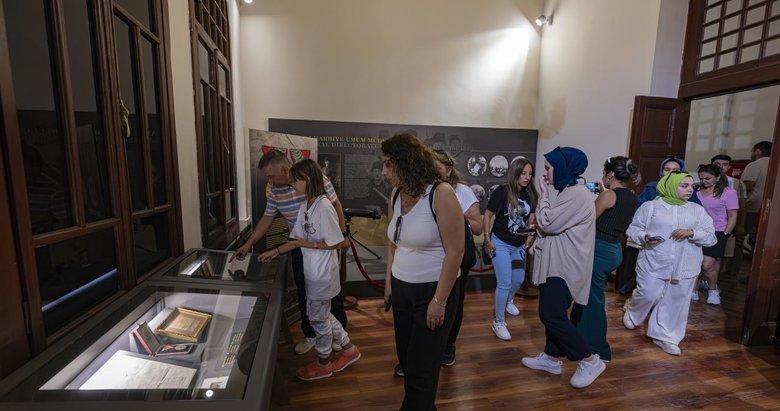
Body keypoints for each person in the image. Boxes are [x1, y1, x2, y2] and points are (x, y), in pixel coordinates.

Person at [231, 150, 348, 355]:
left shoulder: (315, 181)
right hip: (299, 244)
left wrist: (338, 237)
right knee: (305, 292)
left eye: (271, 175)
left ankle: (337, 337)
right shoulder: (276, 191)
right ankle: (312, 334)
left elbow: (336, 205)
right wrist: (250, 243)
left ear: (285, 170)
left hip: (320, 246)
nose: (269, 180)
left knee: (329, 293)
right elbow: (267, 218)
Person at [382, 133, 464, 410]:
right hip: (402, 288)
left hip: (433, 290)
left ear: (406, 163)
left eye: (387, 165)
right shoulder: (396, 194)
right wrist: (389, 281)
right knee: (407, 360)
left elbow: (456, 252)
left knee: (422, 370)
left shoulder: (441, 194)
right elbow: (393, 240)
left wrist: (439, 301)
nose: (383, 172)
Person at [258, 159, 360, 380]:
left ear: (305, 179)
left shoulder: (323, 207)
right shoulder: (306, 205)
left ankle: (323, 363)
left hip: (323, 275)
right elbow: (296, 240)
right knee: (323, 314)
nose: (291, 185)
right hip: (313, 272)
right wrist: (275, 251)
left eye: (295, 181)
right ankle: (350, 350)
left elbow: (340, 243)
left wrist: (310, 245)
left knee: (318, 319)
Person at [521, 146, 605, 389]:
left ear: (564, 167)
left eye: (548, 168)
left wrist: (544, 195)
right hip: (557, 264)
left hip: (565, 267)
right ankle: (551, 357)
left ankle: (590, 360)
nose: (545, 173)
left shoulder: (577, 194)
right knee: (553, 312)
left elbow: (548, 222)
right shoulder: (570, 192)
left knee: (552, 315)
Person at [623, 172, 716, 356]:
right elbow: (633, 229)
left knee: (676, 300)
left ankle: (665, 336)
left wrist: (692, 232)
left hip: (685, 264)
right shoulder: (651, 207)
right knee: (648, 293)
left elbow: (711, 236)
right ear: (670, 186)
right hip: (654, 260)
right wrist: (644, 237)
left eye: (691, 186)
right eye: (684, 185)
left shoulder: (697, 210)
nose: (689, 189)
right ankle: (633, 312)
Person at [570, 156, 640, 363]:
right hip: (613, 249)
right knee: (585, 296)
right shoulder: (630, 196)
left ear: (610, 174)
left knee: (592, 301)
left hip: (599, 250)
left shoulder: (609, 196)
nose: (602, 176)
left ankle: (598, 350)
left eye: (604, 173)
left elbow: (586, 221)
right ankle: (574, 338)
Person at [433, 149, 483, 366]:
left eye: (438, 167)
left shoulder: (462, 191)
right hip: (432, 257)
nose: (434, 171)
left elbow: (479, 227)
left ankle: (448, 344)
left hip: (456, 257)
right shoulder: (424, 190)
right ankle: (431, 343)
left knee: (453, 302)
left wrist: (454, 215)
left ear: (449, 169)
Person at [483, 157, 537, 341]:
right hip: (501, 243)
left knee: (519, 279)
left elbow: (531, 219)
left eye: (530, 174)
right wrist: (486, 239)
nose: (527, 177)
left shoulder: (530, 195)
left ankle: (507, 301)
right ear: (515, 172)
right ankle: (498, 321)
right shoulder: (502, 191)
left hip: (518, 244)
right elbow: (488, 214)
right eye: (524, 173)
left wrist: (530, 236)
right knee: (504, 282)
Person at [617, 156, 685, 295]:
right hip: (650, 236)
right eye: (667, 169)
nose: (671, 173)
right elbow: (638, 212)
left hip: (675, 239)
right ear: (661, 171)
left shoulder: (688, 191)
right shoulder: (651, 188)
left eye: (676, 170)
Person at [692, 164, 738, 305]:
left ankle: (713, 290)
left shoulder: (728, 192)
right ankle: (692, 290)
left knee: (707, 265)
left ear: (718, 177)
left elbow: (732, 215)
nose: (704, 181)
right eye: (701, 178)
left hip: (717, 231)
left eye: (708, 178)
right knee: (694, 263)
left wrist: (725, 233)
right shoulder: (696, 191)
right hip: (697, 230)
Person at [711, 154, 748, 282]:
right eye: (717, 164)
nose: (721, 167)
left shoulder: (736, 183)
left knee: (722, 254)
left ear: (729, 167)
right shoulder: (703, 181)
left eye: (724, 164)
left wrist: (740, 225)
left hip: (727, 224)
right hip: (707, 223)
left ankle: (716, 281)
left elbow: (742, 205)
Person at [741, 141, 772, 256]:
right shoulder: (775, 164)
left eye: (752, 150)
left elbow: (747, 186)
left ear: (758, 151)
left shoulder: (755, 165)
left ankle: (732, 271)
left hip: (752, 207)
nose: (751, 153)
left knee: (742, 238)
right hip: (770, 210)